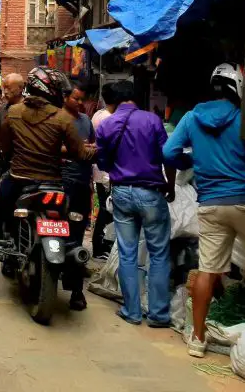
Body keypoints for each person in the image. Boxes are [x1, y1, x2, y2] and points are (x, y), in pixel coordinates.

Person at [162, 63, 245, 358]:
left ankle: (198, 339)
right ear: (238, 89)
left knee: (207, 270)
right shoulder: (244, 119)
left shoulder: (191, 118)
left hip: (210, 205)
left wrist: (192, 163)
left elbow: (168, 153)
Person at [0, 67, 95, 299]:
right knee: (74, 225)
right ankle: (76, 289)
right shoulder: (63, 119)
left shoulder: (12, 113)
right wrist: (92, 152)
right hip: (52, 183)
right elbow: (78, 152)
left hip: (18, 179)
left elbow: (6, 148)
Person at [95, 80, 175, 328]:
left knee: (127, 253)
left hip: (121, 192)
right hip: (151, 192)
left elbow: (103, 163)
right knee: (159, 254)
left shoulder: (106, 124)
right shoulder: (152, 120)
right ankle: (159, 315)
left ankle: (131, 311)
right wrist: (169, 184)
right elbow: (168, 155)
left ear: (114, 101)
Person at [61, 83, 96, 309]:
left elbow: (91, 147)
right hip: (59, 182)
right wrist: (75, 149)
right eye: (77, 99)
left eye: (83, 99)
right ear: (65, 97)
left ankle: (76, 290)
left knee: (76, 235)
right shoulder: (56, 119)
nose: (81, 103)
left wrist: (90, 150)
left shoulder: (86, 121)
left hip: (82, 183)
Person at [89, 82, 120, 258]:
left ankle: (99, 246)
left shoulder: (98, 115)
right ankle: (100, 247)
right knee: (106, 210)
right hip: (106, 173)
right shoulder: (109, 118)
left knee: (103, 208)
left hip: (100, 171)